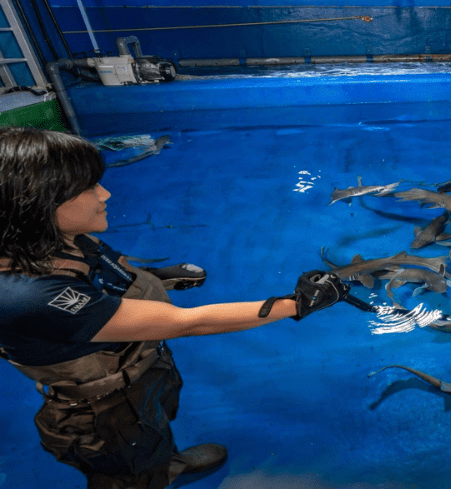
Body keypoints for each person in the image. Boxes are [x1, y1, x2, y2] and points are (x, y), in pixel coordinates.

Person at [0, 127, 350, 489]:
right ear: (36, 204)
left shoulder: (53, 238)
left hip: (135, 378)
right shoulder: (30, 296)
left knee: (151, 429)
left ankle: (164, 463)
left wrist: (158, 277)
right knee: (127, 472)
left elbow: (101, 274)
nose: (105, 193)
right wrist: (297, 305)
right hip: (103, 413)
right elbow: (188, 323)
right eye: (88, 188)